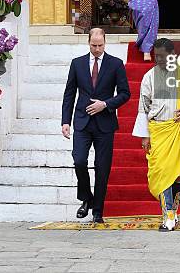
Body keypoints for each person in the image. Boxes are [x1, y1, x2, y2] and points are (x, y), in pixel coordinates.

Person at [132, 38, 180, 231]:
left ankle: (172, 213)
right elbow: (143, 107)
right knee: (165, 174)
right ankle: (168, 216)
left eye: (163, 57)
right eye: (157, 57)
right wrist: (145, 136)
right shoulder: (149, 76)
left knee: (179, 175)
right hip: (160, 130)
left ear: (173, 54)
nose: (160, 60)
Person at [61, 27, 131, 223]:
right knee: (79, 161)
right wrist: (65, 121)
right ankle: (86, 198)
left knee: (102, 167)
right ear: (88, 43)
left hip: (105, 123)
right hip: (82, 122)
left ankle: (97, 210)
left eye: (100, 45)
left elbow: (125, 93)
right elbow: (69, 93)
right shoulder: (77, 64)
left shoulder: (116, 64)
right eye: (94, 45)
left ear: (105, 43)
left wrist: (106, 104)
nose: (97, 49)